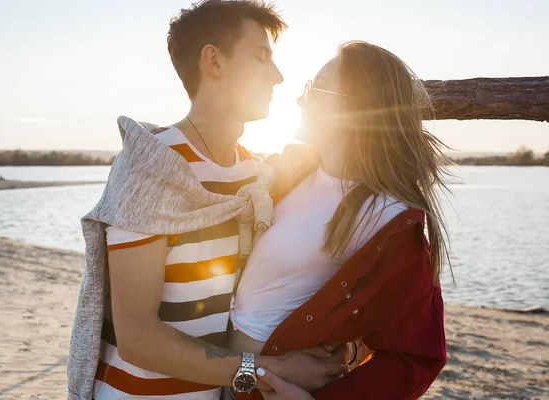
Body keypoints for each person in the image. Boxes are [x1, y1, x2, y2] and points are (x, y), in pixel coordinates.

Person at [67, 2, 350, 400]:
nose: (278, 75)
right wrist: (269, 369)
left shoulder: (254, 175)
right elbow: (138, 338)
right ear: (214, 60)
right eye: (261, 56)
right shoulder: (151, 168)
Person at [229, 41, 451, 399]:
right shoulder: (291, 172)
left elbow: (416, 355)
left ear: (355, 109)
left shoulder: (387, 215)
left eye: (313, 88)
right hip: (224, 378)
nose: (301, 100)